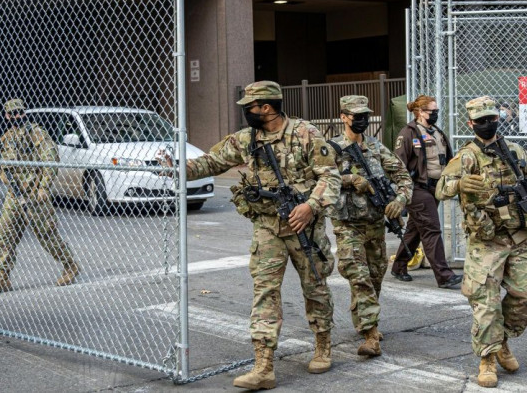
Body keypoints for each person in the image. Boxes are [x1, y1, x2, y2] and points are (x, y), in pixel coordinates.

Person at [162, 81, 341, 390]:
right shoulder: (247, 139)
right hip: (269, 227)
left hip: (304, 228)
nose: (246, 112)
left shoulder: (306, 134)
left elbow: (330, 175)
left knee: (315, 288)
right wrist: (178, 169)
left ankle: (323, 345)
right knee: (265, 293)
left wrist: (310, 206)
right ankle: (263, 366)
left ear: (266, 108)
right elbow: (213, 161)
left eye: (250, 107)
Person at [435, 96, 527, 388]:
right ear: (471, 123)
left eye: (492, 119)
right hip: (485, 240)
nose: (488, 124)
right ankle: (487, 359)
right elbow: (440, 188)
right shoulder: (467, 156)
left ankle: (501, 341)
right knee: (485, 303)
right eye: (481, 120)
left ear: (498, 119)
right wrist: (459, 184)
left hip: (518, 238)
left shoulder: (515, 151)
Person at [327, 95, 412, 357]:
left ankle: (365, 320)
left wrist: (399, 199)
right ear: (343, 117)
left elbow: (403, 177)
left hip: (374, 223)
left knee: (375, 277)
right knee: (359, 277)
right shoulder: (330, 148)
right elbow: (314, 178)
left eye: (365, 115)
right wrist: (350, 179)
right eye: (356, 115)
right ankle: (370, 333)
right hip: (347, 225)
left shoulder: (376, 147)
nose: (362, 120)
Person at [0, 99, 80, 295]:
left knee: (46, 234)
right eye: (13, 113)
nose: (17, 116)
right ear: (7, 116)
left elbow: (50, 158)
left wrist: (43, 187)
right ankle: (3, 277)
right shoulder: (7, 138)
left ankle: (70, 265)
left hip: (35, 193)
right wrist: (9, 182)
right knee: (5, 233)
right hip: (14, 194)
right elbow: (4, 167)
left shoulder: (36, 133)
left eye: (20, 112)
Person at [391, 95, 462, 289]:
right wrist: (402, 192)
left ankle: (398, 267)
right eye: (433, 111)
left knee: (415, 229)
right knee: (431, 229)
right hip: (417, 189)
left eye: (437, 111)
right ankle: (444, 275)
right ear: (421, 112)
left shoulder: (436, 132)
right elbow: (398, 165)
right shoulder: (407, 133)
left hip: (435, 187)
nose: (436, 114)